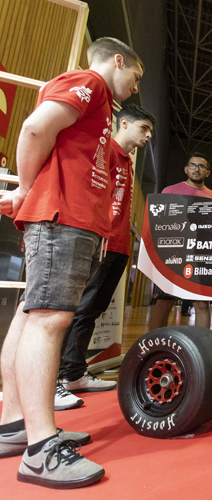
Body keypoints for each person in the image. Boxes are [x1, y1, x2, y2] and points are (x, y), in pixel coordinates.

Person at [0, 37, 143, 488]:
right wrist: (25, 190)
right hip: (61, 216)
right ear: (117, 61)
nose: (136, 87)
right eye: (135, 76)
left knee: (31, 316)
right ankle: (41, 449)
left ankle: (14, 424)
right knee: (49, 320)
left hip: (68, 219)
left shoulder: (100, 109)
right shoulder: (91, 83)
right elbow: (34, 129)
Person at [56, 104, 155, 409]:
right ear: (123, 123)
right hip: (100, 242)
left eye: (150, 131)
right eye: (144, 128)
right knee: (79, 310)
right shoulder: (106, 151)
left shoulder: (127, 161)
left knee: (92, 311)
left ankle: (73, 373)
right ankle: (56, 378)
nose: (148, 136)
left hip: (119, 246)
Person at [148, 153, 212, 330]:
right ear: (186, 169)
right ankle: (154, 341)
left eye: (201, 166)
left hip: (199, 255)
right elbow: (159, 224)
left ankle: (203, 341)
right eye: (193, 165)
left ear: (208, 172)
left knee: (201, 303)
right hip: (172, 255)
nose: (197, 169)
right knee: (164, 301)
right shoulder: (169, 191)